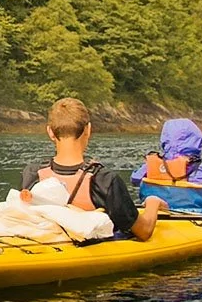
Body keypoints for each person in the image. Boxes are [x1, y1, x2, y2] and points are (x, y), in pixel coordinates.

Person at [21, 97, 166, 241]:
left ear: (50, 132)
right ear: (88, 130)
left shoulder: (33, 173)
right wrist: (153, 202)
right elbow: (144, 231)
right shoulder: (104, 180)